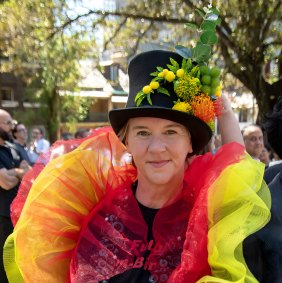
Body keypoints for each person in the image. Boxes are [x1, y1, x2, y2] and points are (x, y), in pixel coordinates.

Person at [3, 49, 270, 283]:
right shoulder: (91, 211)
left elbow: (236, 164)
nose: (156, 147)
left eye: (171, 132)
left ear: (191, 142)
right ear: (126, 141)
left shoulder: (207, 211)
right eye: (142, 133)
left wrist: (216, 99)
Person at [0, 110, 30, 283]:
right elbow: (5, 182)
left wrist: (15, 173)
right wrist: (20, 172)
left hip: (19, 216)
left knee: (18, 261)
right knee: (4, 263)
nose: (12, 127)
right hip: (3, 217)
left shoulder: (12, 148)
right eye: (7, 123)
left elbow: (29, 172)